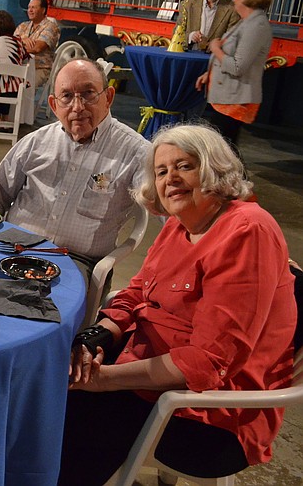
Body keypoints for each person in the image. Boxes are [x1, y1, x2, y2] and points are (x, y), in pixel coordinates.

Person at [59, 124, 296, 485]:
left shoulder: (247, 231)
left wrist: (105, 381)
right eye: (161, 171)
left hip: (208, 414)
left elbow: (207, 361)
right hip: (149, 366)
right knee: (51, 379)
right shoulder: (180, 223)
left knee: (65, 416)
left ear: (214, 168)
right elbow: (136, 292)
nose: (170, 178)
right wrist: (97, 337)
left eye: (184, 166)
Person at [0, 58, 149, 274]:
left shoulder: (136, 152)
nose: (78, 107)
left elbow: (166, 206)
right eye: (67, 96)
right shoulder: (37, 141)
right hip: (13, 248)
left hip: (75, 262)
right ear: (54, 105)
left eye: (88, 94)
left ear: (108, 97)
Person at [196, 0, 273, 148]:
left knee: (223, 148)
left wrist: (215, 48)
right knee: (224, 147)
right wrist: (210, 73)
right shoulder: (246, 22)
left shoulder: (256, 26)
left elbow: (238, 67)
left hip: (236, 99)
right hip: (228, 95)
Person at [176, 0, 240, 52]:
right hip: (188, 54)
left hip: (213, 58)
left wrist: (210, 45)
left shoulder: (232, 9)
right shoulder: (188, 5)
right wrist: (190, 36)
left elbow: (232, 40)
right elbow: (176, 33)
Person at [13, 0, 60, 87]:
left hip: (39, 69)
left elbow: (37, 48)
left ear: (43, 10)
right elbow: (11, 44)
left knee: (25, 87)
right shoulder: (23, 26)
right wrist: (23, 40)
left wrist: (19, 43)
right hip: (20, 66)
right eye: (29, 7)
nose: (30, 10)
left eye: (33, 7)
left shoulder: (51, 27)